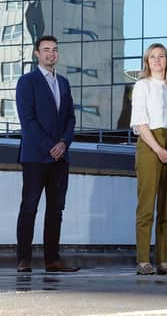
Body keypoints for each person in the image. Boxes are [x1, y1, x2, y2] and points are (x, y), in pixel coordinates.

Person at [15, 35, 79, 273]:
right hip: (35, 157)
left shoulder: (63, 83)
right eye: (45, 50)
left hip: (60, 158)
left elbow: (71, 119)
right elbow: (28, 120)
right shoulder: (26, 81)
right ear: (36, 54)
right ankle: (24, 259)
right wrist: (49, 146)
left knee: (56, 210)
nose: (51, 54)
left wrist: (63, 143)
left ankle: (52, 260)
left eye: (54, 50)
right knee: (29, 207)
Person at [130, 43, 167, 275]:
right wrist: (158, 150)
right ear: (147, 61)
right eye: (153, 56)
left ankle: (164, 261)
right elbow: (139, 122)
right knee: (146, 206)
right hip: (150, 143)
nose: (157, 60)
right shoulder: (142, 86)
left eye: (162, 56)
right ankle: (144, 260)